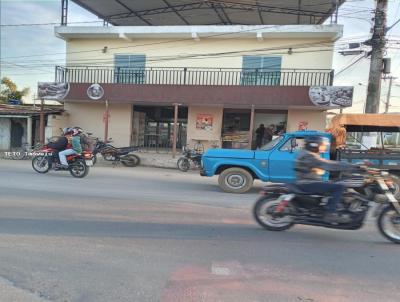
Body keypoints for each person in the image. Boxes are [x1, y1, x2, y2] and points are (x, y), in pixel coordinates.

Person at [294, 135, 357, 224]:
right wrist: (351, 166)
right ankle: (330, 214)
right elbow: (327, 165)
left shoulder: (308, 154)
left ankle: (336, 207)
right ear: (314, 145)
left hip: (311, 181)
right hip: (307, 183)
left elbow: (326, 163)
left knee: (337, 183)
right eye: (321, 145)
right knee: (339, 187)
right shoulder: (308, 156)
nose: (323, 147)